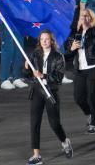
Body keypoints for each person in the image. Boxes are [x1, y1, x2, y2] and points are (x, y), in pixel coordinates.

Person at [24, 30, 73, 165]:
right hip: (37, 91)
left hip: (51, 92)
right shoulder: (35, 55)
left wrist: (43, 76)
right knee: (34, 123)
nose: (44, 41)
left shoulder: (58, 57)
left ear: (51, 41)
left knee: (54, 124)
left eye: (47, 39)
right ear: (39, 41)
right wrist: (27, 69)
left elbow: (58, 78)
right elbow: (28, 76)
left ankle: (64, 141)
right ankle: (36, 155)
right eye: (42, 39)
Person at [34, 0, 73, 84]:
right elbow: (46, 3)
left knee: (56, 44)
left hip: (52, 18)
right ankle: (50, 74)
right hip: (48, 20)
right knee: (52, 45)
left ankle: (57, 74)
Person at [70, 8, 95, 134]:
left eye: (87, 16)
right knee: (78, 98)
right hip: (80, 70)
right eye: (82, 16)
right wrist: (72, 48)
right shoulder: (76, 34)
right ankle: (91, 114)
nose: (84, 18)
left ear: (91, 19)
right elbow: (68, 55)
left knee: (93, 98)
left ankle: (94, 124)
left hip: (94, 68)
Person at [0, 0, 32, 90]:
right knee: (8, 49)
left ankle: (16, 77)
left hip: (20, 21)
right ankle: (4, 78)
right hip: (8, 19)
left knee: (19, 49)